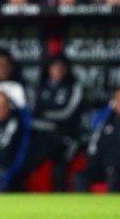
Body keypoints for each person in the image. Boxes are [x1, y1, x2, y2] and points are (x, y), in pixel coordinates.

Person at [21, 54, 83, 191]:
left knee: (59, 171)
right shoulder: (39, 87)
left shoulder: (74, 87)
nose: (58, 70)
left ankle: (62, 205)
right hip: (43, 137)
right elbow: (31, 114)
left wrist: (43, 114)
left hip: (66, 136)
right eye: (55, 67)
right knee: (23, 164)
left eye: (62, 67)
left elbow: (68, 114)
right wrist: (47, 121)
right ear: (49, 69)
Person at [74, 87, 120, 192]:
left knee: (113, 175)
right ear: (114, 102)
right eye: (119, 100)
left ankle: (114, 208)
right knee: (79, 177)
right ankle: (87, 207)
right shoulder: (105, 122)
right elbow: (94, 147)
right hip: (103, 167)